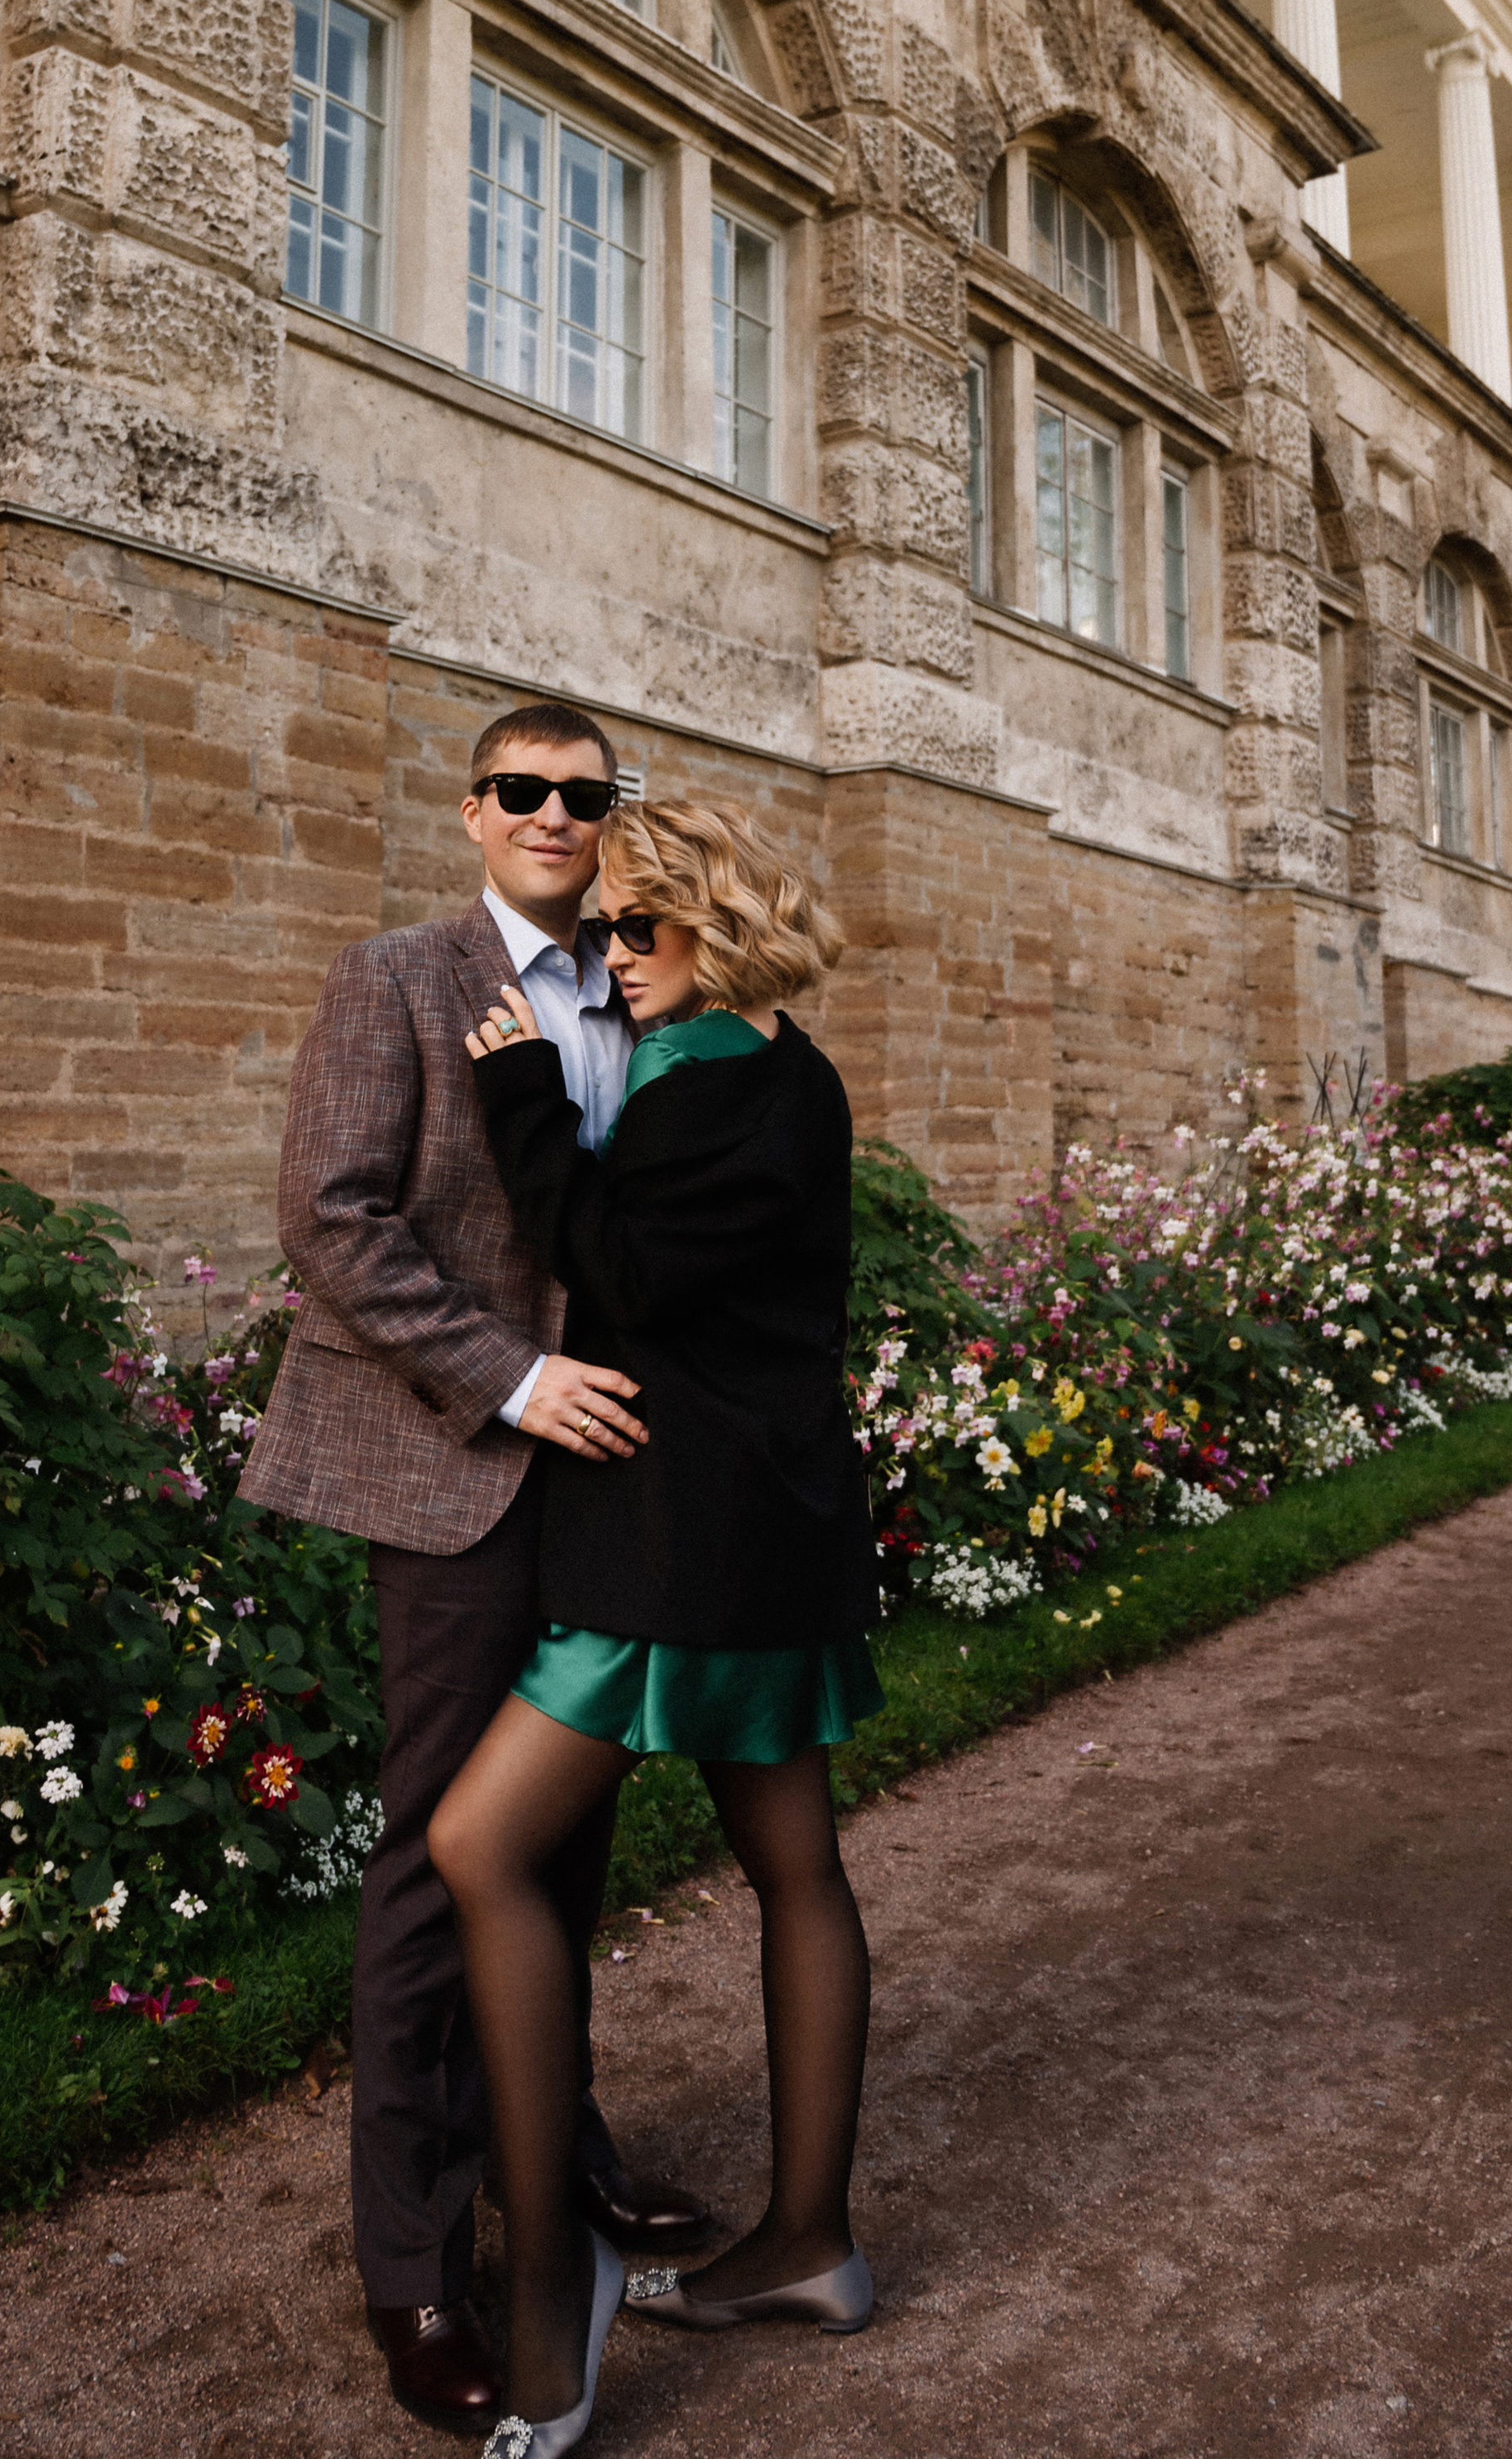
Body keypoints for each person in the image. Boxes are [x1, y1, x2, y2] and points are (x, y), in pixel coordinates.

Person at [240, 701, 711, 2437]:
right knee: (439, 1862)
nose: (552, 815)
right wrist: (513, 1378)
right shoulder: (393, 979)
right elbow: (331, 1215)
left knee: (561, 1852)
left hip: (604, 1491)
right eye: (522, 789)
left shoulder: (642, 982)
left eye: (584, 796)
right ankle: (412, 2268)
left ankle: (554, 2164)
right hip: (447, 1473)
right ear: (471, 810)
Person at [428, 796, 883, 2459]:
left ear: (718, 925)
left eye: (638, 926)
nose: (606, 953)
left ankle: (557, 2276)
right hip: (761, 1524)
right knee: (794, 1867)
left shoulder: (722, 1088)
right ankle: (809, 2246)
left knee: (480, 1847)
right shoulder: (781, 1067)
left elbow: (611, 1263)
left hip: (686, 1546)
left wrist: (517, 1091)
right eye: (601, 929)